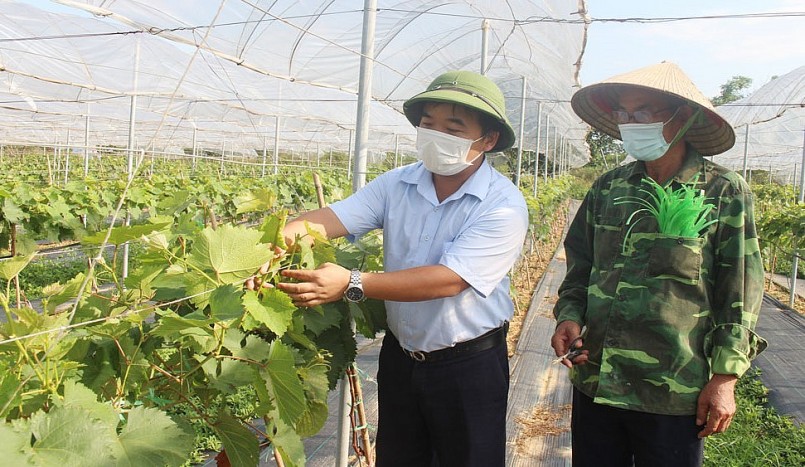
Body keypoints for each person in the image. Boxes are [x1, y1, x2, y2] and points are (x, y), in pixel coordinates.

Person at [270, 70, 528, 466]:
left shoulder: (503, 204)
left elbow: (450, 280)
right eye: (428, 124)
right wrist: (277, 240)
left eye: (453, 127)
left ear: (487, 140)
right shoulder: (397, 184)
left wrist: (352, 282)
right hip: (402, 358)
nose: (435, 134)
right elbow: (333, 218)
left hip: (468, 366)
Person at [550, 61, 767, 467]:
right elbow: (580, 264)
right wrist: (569, 315)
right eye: (623, 114)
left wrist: (724, 378)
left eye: (643, 113)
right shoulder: (609, 188)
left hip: (672, 388)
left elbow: (739, 290)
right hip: (598, 377)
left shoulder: (722, 192)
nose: (631, 123)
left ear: (681, 117)